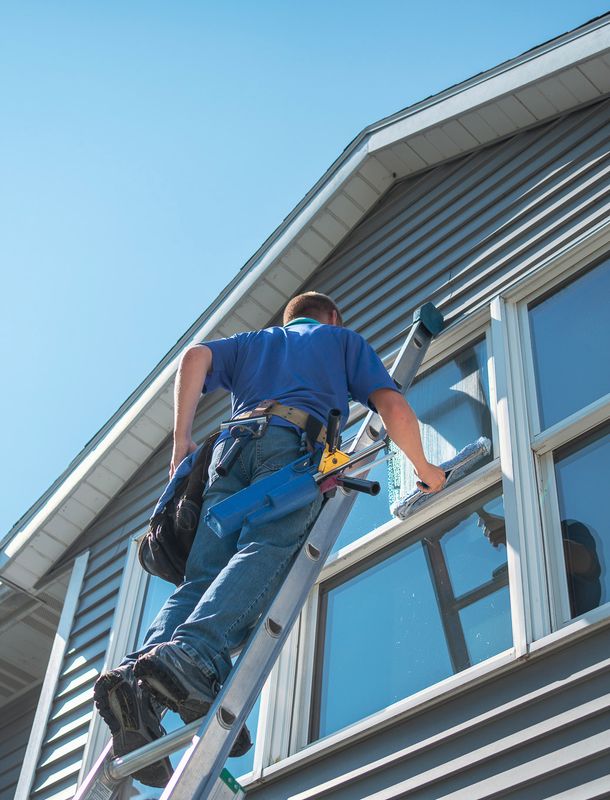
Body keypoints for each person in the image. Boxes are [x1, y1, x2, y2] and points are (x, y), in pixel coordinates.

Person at [93, 291, 446, 786]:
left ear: (289, 317)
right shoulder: (340, 341)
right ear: (332, 316)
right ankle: (194, 656)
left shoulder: (257, 343)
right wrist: (426, 469)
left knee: (201, 578)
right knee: (267, 548)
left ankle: (137, 676)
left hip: (227, 452)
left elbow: (193, 357)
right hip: (289, 450)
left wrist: (181, 443)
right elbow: (392, 405)